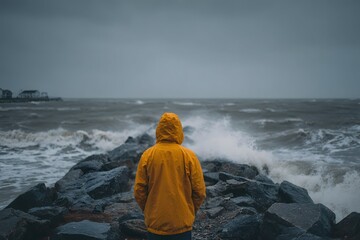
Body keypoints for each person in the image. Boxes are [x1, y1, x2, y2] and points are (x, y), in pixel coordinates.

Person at [134, 112, 206, 240]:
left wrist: (149, 210)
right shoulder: (189, 156)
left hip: (156, 223)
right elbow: (199, 191)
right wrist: (190, 210)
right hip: (182, 223)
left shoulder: (148, 155)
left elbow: (139, 191)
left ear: (159, 130)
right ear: (179, 130)